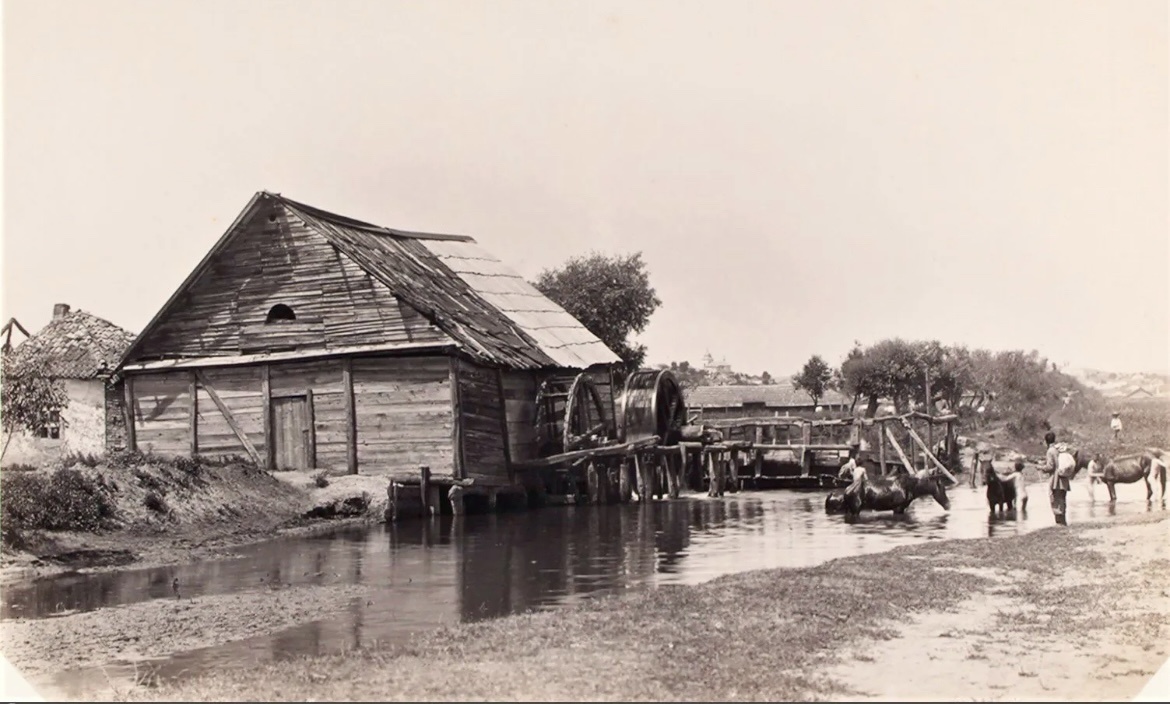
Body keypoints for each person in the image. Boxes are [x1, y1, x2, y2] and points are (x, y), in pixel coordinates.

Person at [1040, 431, 1075, 525]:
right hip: (1064, 479)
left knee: (1055, 500)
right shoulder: (1058, 449)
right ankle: (1063, 522)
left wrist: (1042, 468)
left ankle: (1059, 523)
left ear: (1046, 441)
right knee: (1062, 500)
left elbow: (1051, 467)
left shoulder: (1050, 451)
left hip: (1056, 480)